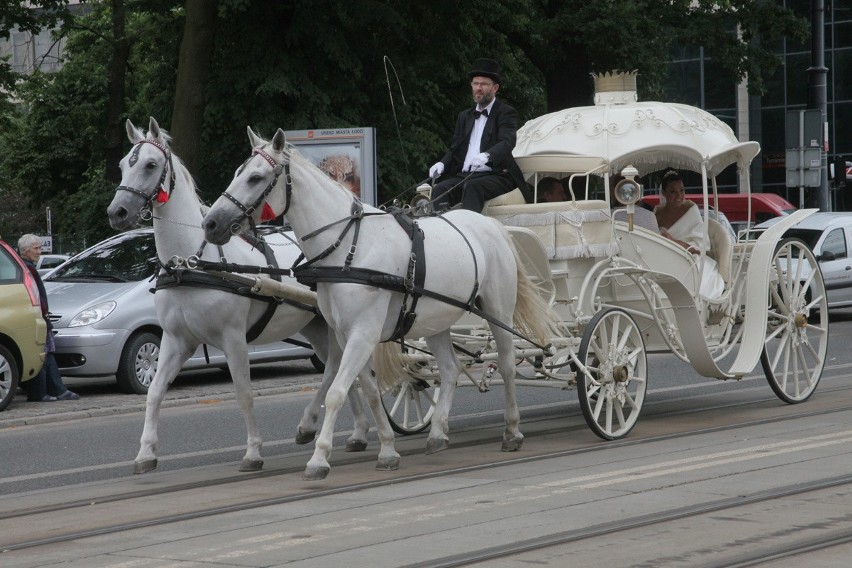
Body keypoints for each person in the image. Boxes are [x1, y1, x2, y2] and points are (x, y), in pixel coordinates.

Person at [429, 58, 527, 213]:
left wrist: (488, 156)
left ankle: (469, 233)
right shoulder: (464, 116)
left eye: (484, 84)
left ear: (495, 88)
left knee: (473, 187)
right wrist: (442, 164)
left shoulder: (506, 112)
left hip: (497, 175)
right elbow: (455, 148)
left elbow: (507, 142)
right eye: (475, 83)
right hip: (466, 175)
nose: (479, 88)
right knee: (440, 189)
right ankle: (442, 232)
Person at [16, 234, 80, 402]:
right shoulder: (28, 268)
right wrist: (44, 312)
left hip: (38, 316)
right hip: (38, 316)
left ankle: (55, 390)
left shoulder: (24, 266)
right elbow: (35, 294)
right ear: (25, 251)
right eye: (36, 248)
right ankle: (45, 391)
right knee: (43, 353)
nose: (39, 252)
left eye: (39, 247)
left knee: (47, 353)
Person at [653, 170, 724, 299]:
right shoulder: (657, 213)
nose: (679, 196)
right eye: (673, 192)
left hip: (690, 256)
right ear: (664, 193)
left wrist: (672, 242)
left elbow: (700, 247)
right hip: (664, 256)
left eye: (682, 190)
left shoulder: (691, 210)